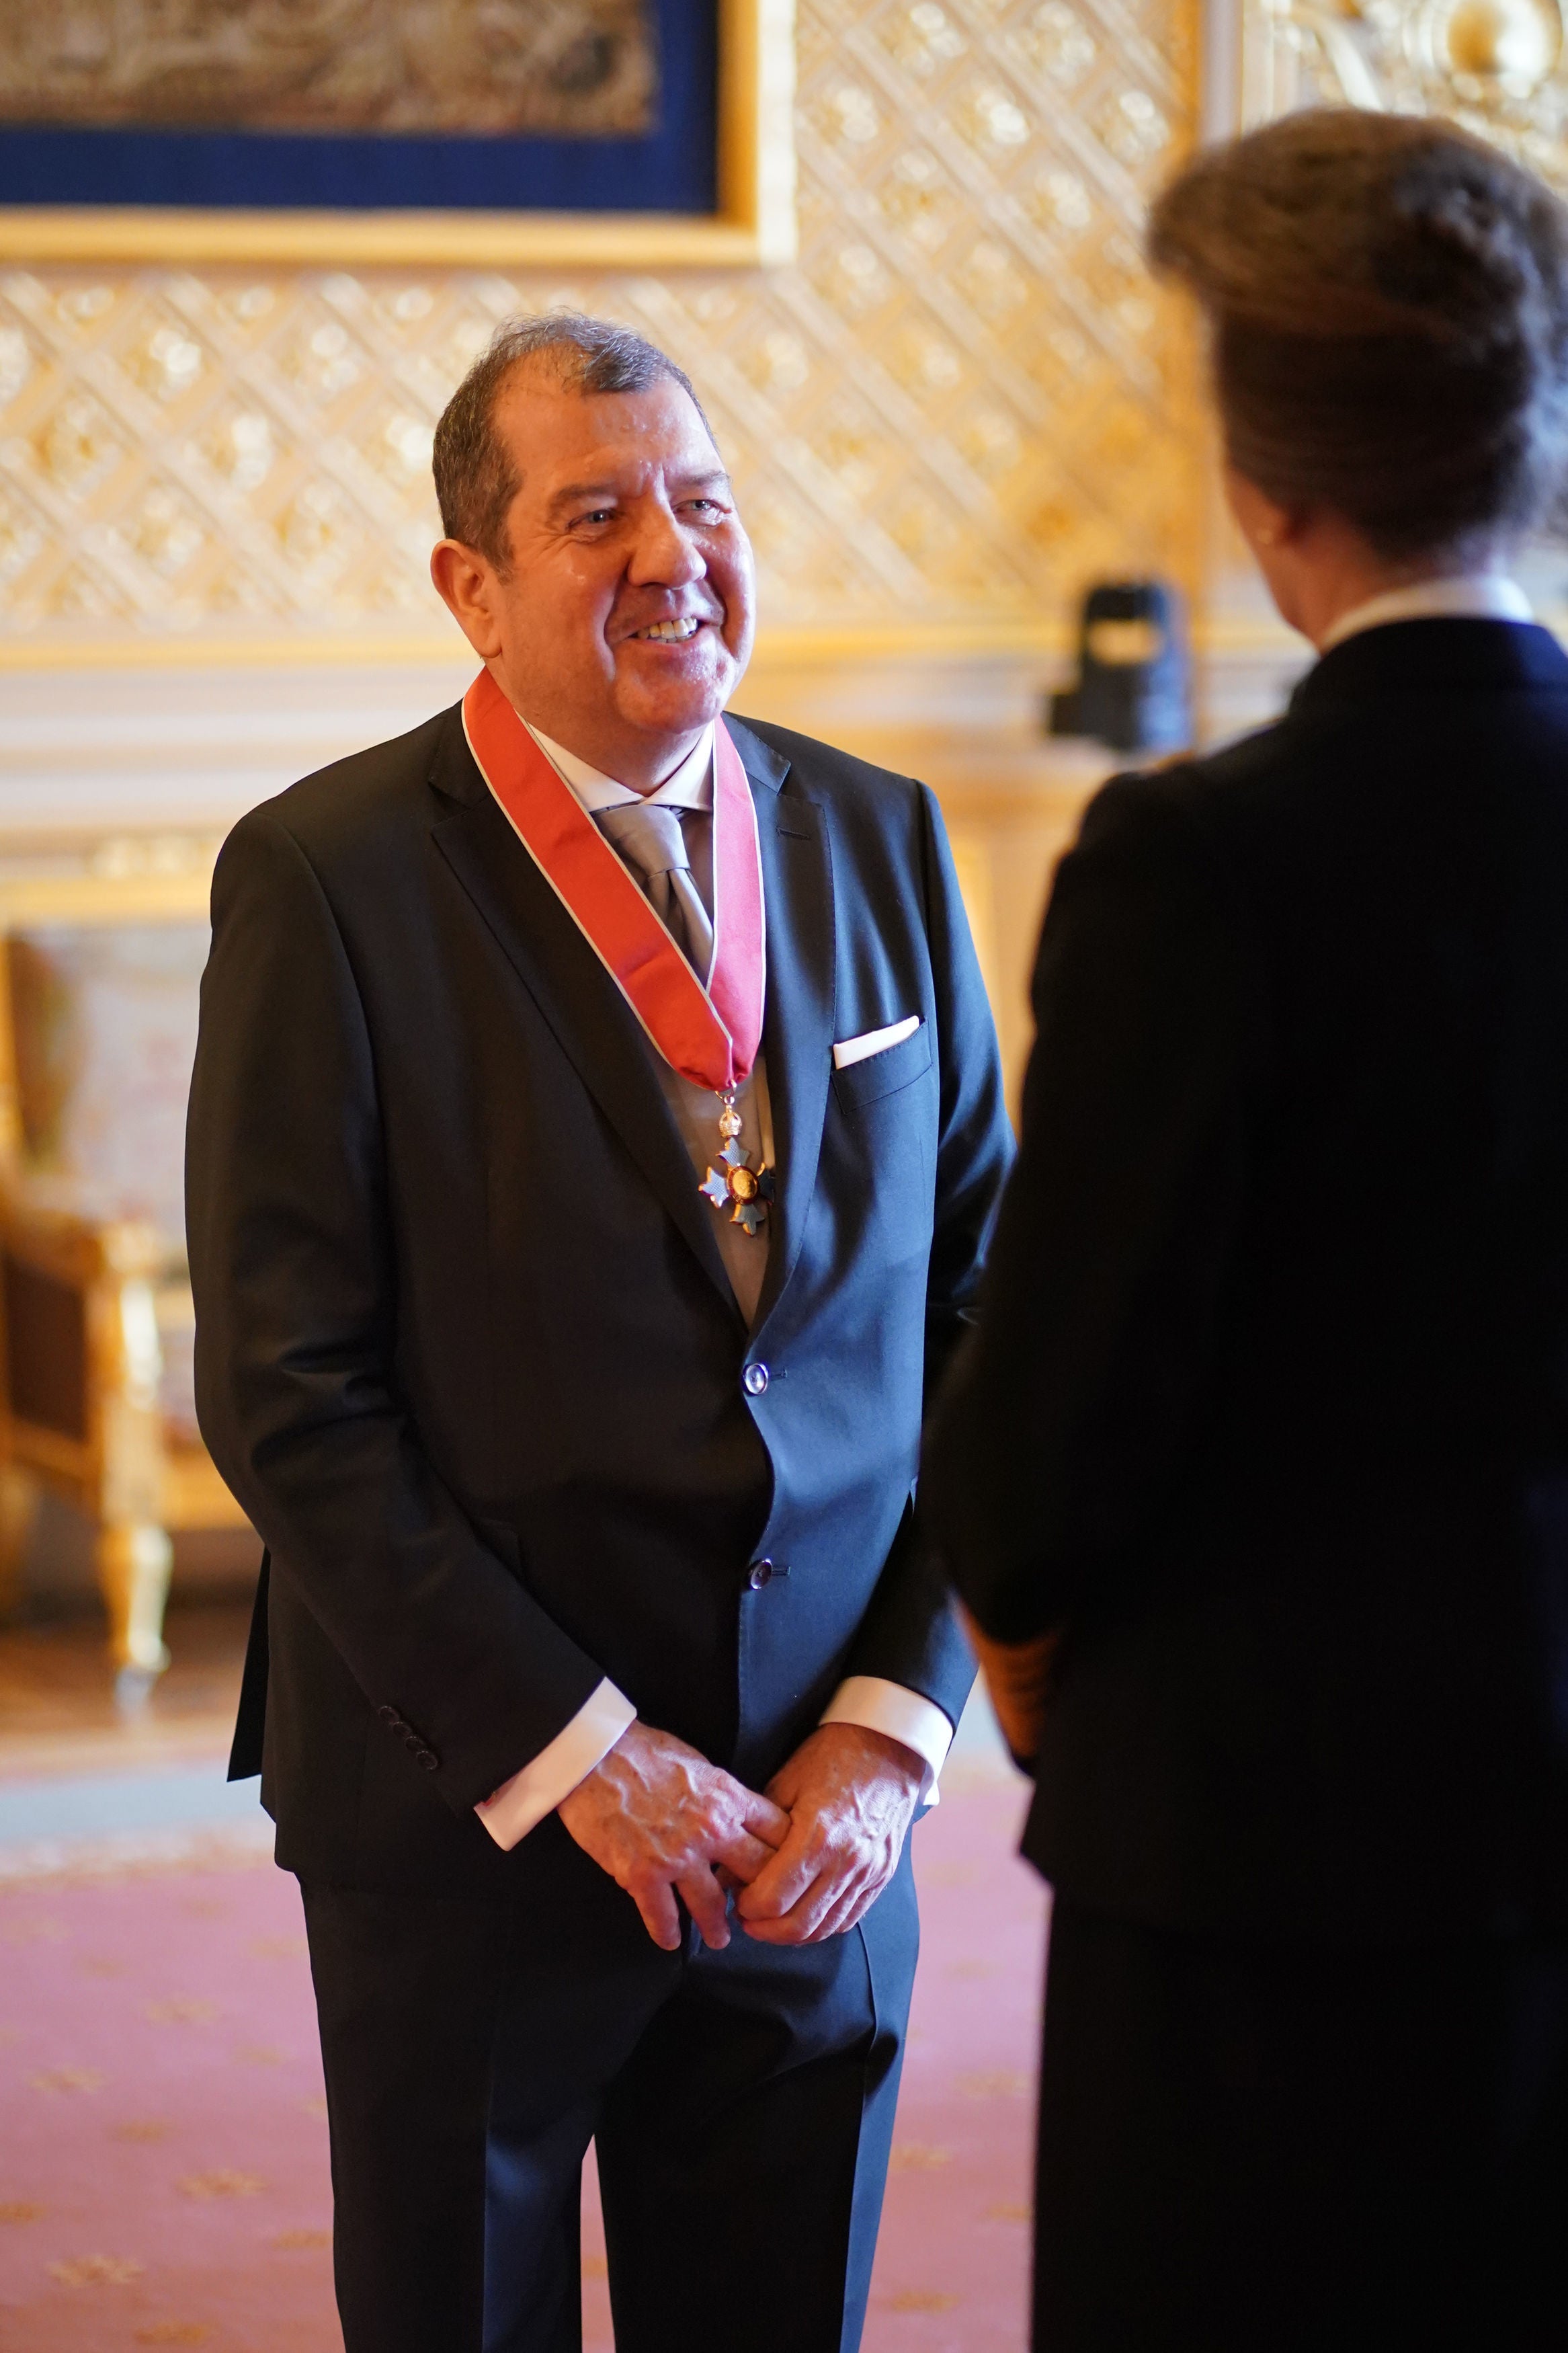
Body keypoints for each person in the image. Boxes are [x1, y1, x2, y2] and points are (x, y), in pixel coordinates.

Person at [186, 314, 1010, 2353]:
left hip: (819, 1810)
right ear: (469, 585)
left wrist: (896, 1729)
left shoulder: (888, 839)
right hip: (477, 1806)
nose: (675, 553)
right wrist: (585, 1751)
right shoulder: (328, 878)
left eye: (707, 503)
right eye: (599, 514)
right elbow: (289, 1389)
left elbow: (998, 1308)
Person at [922, 110, 1568, 2352]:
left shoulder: (1202, 860)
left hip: (1261, 1843)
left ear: (1264, 488)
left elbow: (1061, 1407)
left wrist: (1011, 1608)